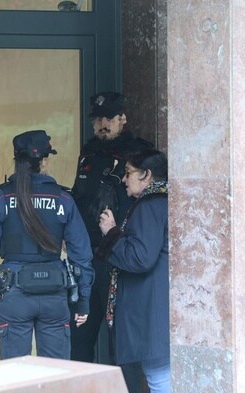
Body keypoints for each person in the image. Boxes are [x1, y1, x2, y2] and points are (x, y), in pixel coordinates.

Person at [0, 129, 94, 360]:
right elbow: (82, 255)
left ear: (16, 160)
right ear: (45, 161)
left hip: (15, 294)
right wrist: (84, 301)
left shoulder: (2, 198)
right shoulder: (63, 199)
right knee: (56, 375)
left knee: (17, 375)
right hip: (54, 295)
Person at [70, 91, 153, 365]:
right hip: (87, 256)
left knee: (119, 337)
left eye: (109, 118)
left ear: (122, 119)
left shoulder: (139, 152)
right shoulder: (88, 152)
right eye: (98, 119)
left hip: (119, 254)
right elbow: (79, 196)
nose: (103, 124)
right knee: (80, 335)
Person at [96, 149, 169, 393]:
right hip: (156, 309)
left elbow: (140, 257)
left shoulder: (149, 206)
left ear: (146, 175)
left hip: (150, 313)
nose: (124, 180)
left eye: (128, 173)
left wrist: (112, 232)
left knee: (160, 382)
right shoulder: (165, 201)